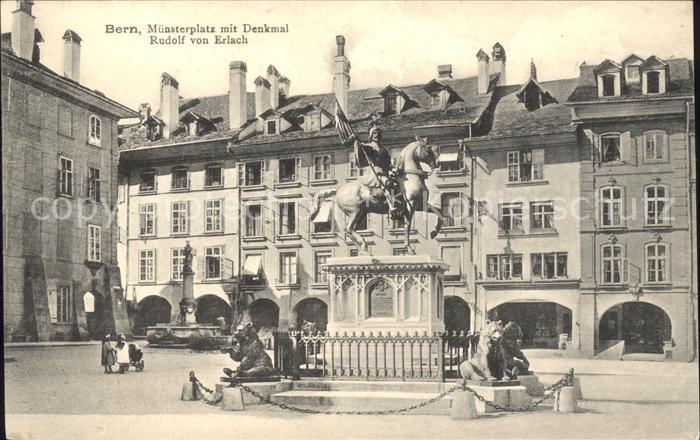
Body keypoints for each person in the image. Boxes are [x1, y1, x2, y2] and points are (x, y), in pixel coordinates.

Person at [346, 120, 403, 219]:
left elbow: (388, 163)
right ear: (371, 135)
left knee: (398, 183)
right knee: (388, 183)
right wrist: (357, 141)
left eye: (378, 133)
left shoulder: (383, 149)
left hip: (385, 172)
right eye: (375, 133)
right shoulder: (369, 146)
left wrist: (393, 169)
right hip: (376, 172)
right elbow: (361, 147)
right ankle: (391, 208)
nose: (377, 135)